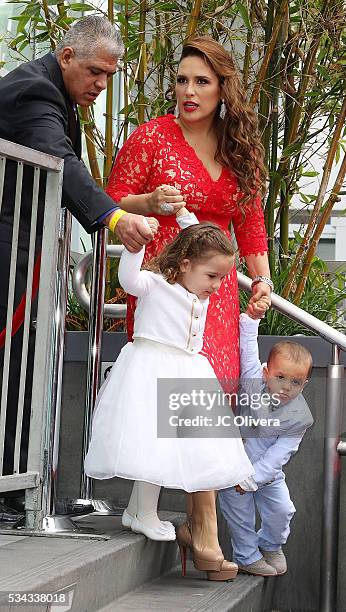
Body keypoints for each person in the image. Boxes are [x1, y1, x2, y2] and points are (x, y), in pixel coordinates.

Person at [104, 35, 272, 563]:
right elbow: (109, 196)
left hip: (217, 291)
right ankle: (202, 527)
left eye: (202, 81)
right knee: (170, 391)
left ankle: (200, 524)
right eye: (181, 80)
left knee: (206, 399)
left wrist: (261, 279)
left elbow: (250, 221)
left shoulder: (237, 145)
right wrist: (150, 200)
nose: (189, 91)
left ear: (224, 88)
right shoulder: (152, 137)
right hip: (164, 280)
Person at [0, 15, 152, 515]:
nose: (102, 85)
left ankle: (12, 488)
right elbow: (60, 162)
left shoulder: (55, 92)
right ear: (66, 57)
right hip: (10, 254)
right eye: (94, 72)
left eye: (110, 75)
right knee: (10, 364)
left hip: (28, 254)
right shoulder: (34, 94)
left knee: (19, 365)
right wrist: (112, 216)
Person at [84, 209, 255, 581]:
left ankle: (136, 510)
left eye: (221, 278)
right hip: (152, 365)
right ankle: (144, 513)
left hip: (188, 368)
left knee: (167, 444)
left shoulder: (198, 289)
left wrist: (181, 214)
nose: (216, 286)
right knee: (153, 441)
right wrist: (137, 242)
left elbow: (194, 233)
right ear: (186, 264)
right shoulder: (158, 283)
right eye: (212, 276)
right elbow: (128, 279)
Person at [218, 300, 314, 577]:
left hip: (267, 474)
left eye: (295, 382)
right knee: (240, 516)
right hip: (234, 468)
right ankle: (246, 555)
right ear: (265, 373)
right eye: (280, 377)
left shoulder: (300, 417)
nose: (285, 387)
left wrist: (253, 479)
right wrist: (250, 320)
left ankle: (270, 544)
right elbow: (248, 351)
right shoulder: (253, 380)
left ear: (304, 384)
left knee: (283, 510)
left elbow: (279, 455)